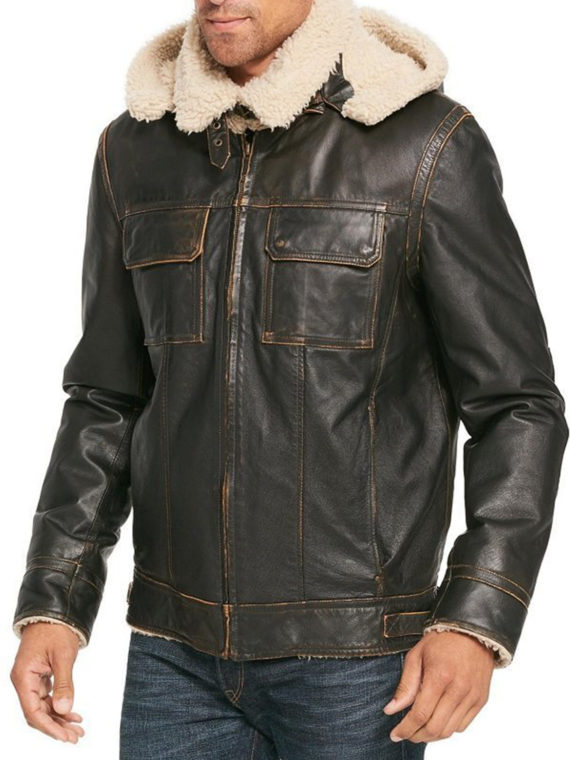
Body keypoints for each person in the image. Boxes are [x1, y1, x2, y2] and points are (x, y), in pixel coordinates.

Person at [9, 0, 568, 757]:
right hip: (173, 653)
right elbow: (107, 397)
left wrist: (478, 615)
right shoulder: (133, 149)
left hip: (358, 659)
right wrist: (55, 599)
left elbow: (518, 405)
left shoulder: (424, 144)